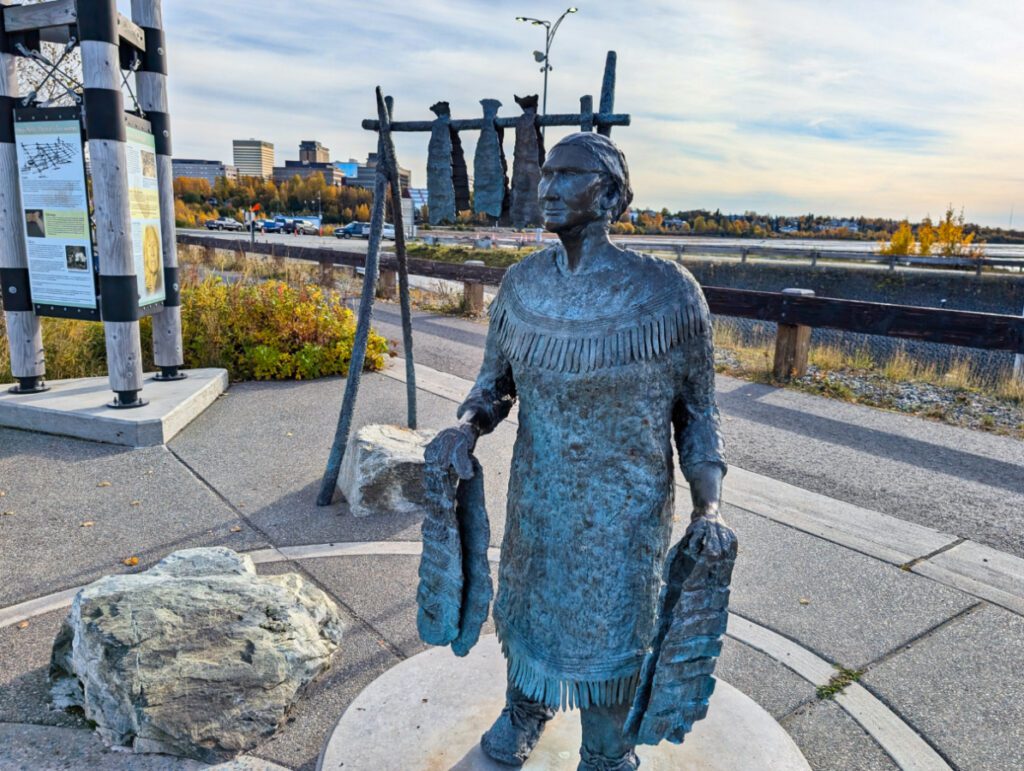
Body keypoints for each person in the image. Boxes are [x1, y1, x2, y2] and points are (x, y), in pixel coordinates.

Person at [426, 132, 727, 771]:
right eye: (546, 174)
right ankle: (525, 710)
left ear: (612, 194)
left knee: (616, 623)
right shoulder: (522, 286)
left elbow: (698, 416)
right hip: (540, 497)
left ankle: (607, 745)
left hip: (627, 509)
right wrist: (466, 428)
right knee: (530, 605)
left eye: (570, 175)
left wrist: (710, 508)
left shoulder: (668, 295)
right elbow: (494, 386)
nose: (550, 187)